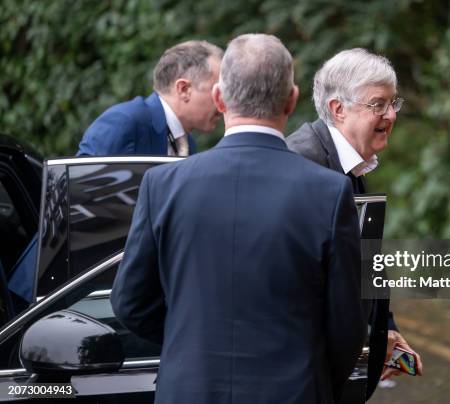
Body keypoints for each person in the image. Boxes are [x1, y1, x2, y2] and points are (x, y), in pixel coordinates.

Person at [111, 34, 366, 404]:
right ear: (291, 101)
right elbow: (347, 324)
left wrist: (190, 342)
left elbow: (131, 303)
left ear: (219, 97)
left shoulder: (162, 185)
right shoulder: (329, 192)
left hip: (189, 390)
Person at [287, 48, 423, 400]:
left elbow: (364, 262)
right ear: (338, 109)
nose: (390, 115)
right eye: (378, 104)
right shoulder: (303, 164)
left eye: (394, 103)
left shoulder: (352, 162)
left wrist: (385, 330)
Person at [77, 40, 222, 156]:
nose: (223, 101)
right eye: (217, 90)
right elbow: (81, 187)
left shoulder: (188, 144)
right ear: (184, 89)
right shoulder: (124, 123)